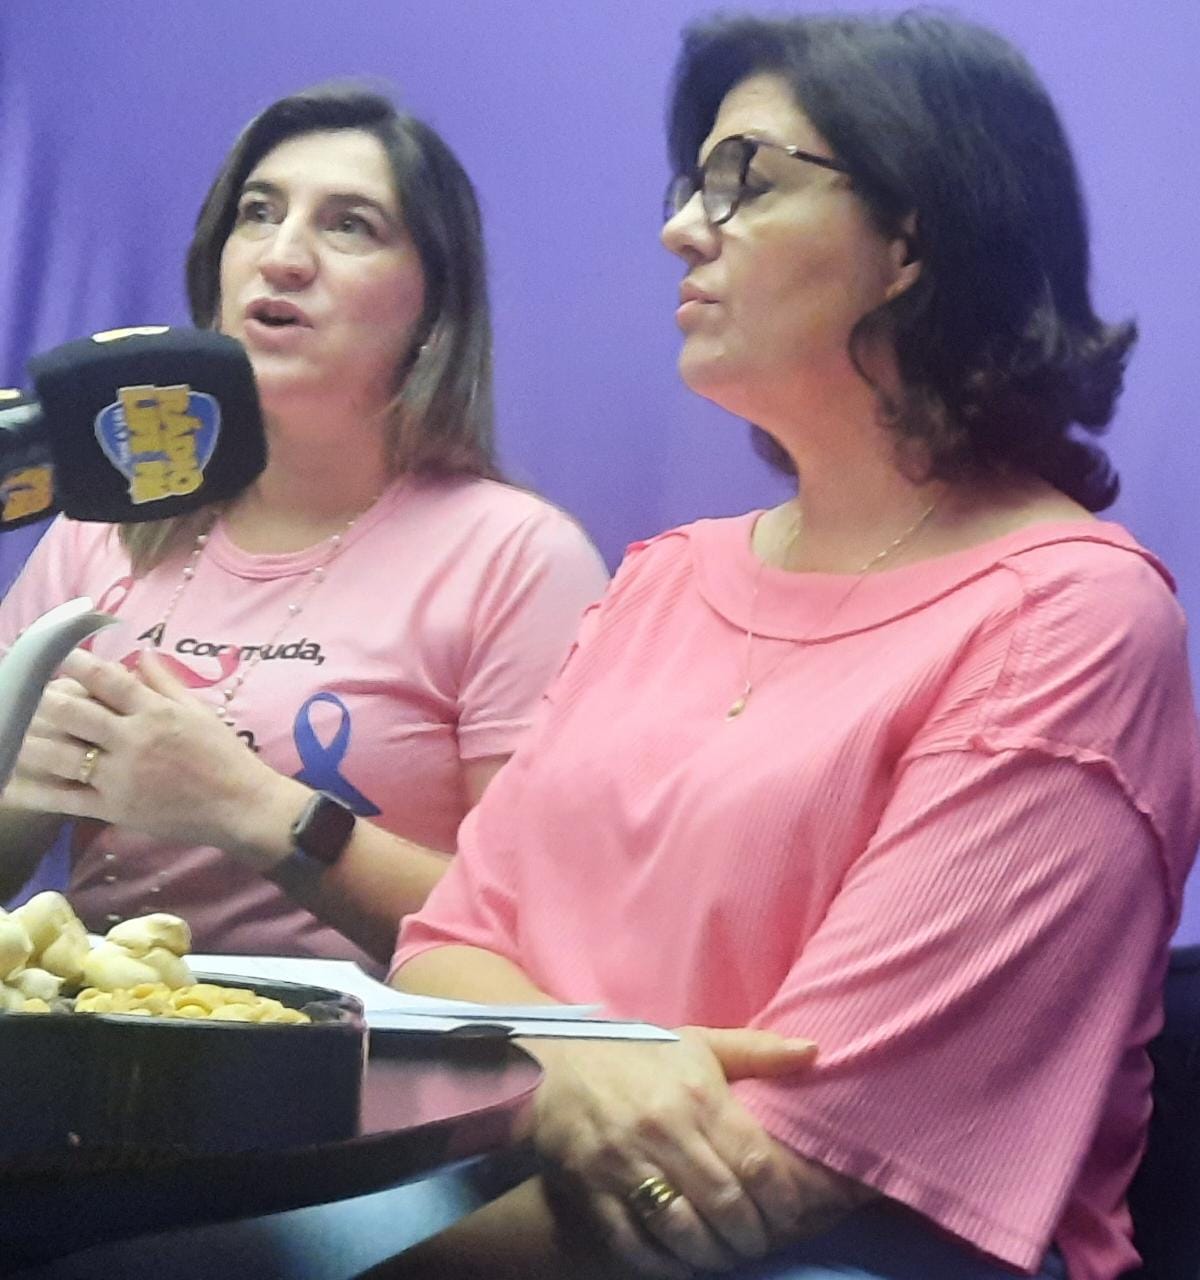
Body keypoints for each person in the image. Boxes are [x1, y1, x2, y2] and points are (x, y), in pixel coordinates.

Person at [368, 12, 1200, 1280]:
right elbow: (445, 948)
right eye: (691, 184)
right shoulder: (664, 577)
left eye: (743, 181)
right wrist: (585, 1063)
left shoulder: (1074, 617)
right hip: (504, 1189)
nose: (680, 229)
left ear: (911, 239)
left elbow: (785, 1169)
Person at [0, 85, 608, 970]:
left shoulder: (516, 558)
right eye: (258, 213)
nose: (282, 258)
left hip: (367, 1050)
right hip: (97, 1035)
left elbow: (540, 932)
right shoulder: (104, 526)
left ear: (433, 311)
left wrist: (251, 809)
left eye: (349, 226)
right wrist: (25, 783)